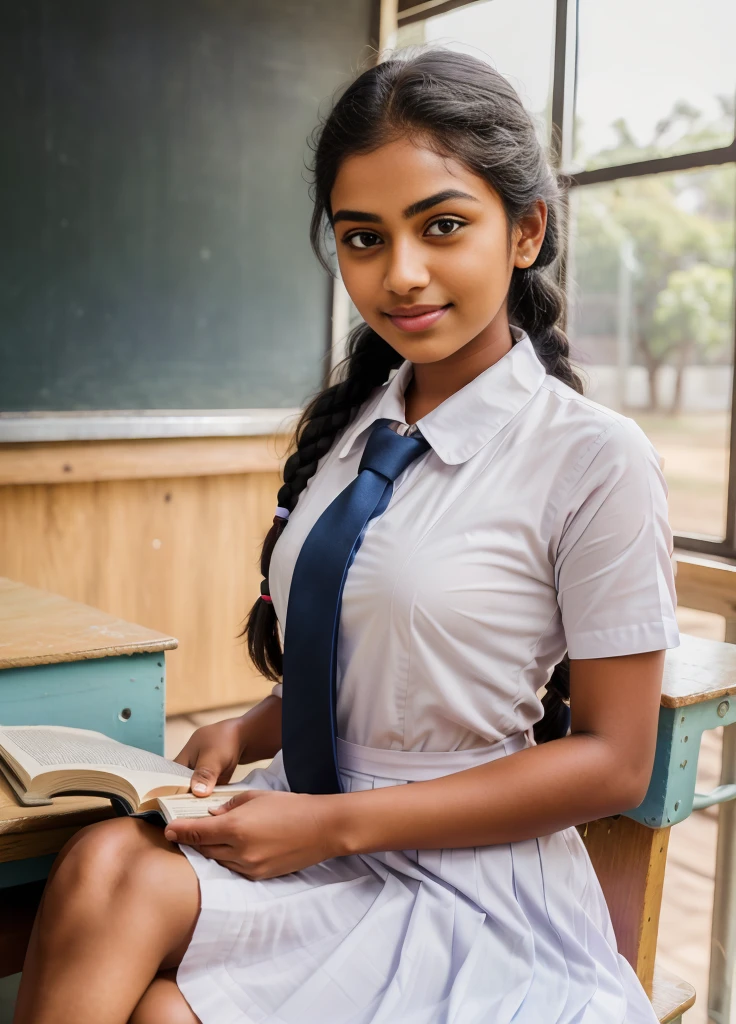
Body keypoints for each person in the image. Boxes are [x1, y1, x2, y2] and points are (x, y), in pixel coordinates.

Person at [14, 47, 681, 1024]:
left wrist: (335, 824)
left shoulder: (594, 458)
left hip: (464, 878)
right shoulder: (355, 432)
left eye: (442, 226)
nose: (400, 275)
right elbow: (379, 653)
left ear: (525, 229)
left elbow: (615, 762)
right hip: (308, 824)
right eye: (362, 238)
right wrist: (249, 729)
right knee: (104, 864)